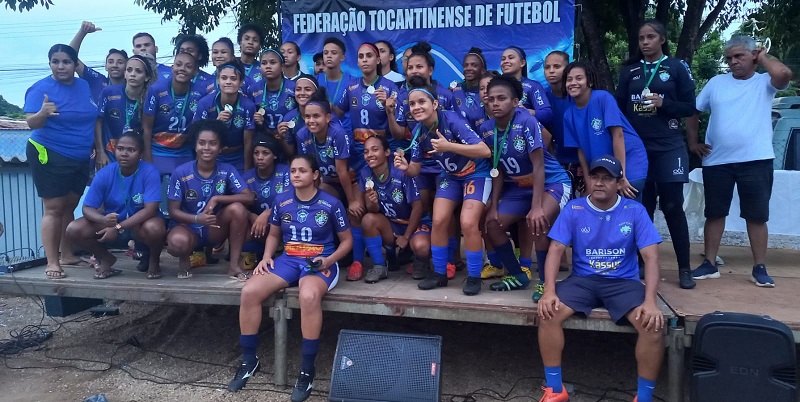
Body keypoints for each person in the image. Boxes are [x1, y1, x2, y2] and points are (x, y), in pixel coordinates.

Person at [536, 155, 664, 402]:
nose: (599, 183)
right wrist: (549, 290)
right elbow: (555, 250)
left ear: (618, 183)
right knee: (547, 313)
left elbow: (651, 259)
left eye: (607, 178)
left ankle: (645, 397)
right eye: (595, 177)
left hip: (623, 282)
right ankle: (555, 389)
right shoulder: (574, 209)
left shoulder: (634, 211)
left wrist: (650, 301)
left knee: (653, 325)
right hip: (583, 279)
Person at [228, 154, 352, 402]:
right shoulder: (282, 200)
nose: (296, 175)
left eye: (302, 171)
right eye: (293, 171)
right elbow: (274, 235)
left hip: (320, 259)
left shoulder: (330, 203)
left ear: (315, 175)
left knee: (308, 296)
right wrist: (266, 256)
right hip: (289, 258)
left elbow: (348, 241)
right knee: (249, 292)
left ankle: (307, 370)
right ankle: (249, 361)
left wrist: (329, 261)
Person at [688, 36, 792, 287]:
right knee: (714, 213)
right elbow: (694, 111)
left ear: (753, 57)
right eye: (729, 58)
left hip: (756, 160)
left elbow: (785, 74)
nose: (732, 62)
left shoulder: (764, 82)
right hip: (717, 161)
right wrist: (692, 143)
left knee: (756, 216)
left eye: (739, 56)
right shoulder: (716, 83)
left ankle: (759, 268)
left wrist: (764, 56)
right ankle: (710, 264)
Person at [616, 20, 698, 290]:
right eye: (641, 38)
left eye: (650, 37)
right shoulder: (630, 71)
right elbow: (618, 109)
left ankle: (684, 268)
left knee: (673, 205)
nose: (645, 42)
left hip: (669, 147)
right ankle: (640, 262)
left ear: (662, 39)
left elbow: (689, 107)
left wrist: (664, 104)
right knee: (642, 207)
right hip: (638, 149)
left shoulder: (676, 68)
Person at [393, 77, 492, 295]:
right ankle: (439, 274)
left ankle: (474, 277)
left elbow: (485, 151)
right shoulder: (419, 131)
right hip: (451, 175)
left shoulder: (453, 120)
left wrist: (449, 146)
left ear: (435, 104)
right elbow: (415, 170)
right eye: (412, 104)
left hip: (476, 173)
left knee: (467, 222)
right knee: (438, 220)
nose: (417, 107)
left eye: (422, 102)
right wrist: (404, 166)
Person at [480, 76, 572, 302]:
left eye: (501, 98)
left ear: (515, 101)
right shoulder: (486, 129)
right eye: (491, 99)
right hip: (520, 187)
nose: (495, 104)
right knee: (492, 224)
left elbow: (539, 166)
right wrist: (493, 204)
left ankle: (544, 283)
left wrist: (537, 206)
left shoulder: (526, 122)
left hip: (552, 183)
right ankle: (518, 276)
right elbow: (498, 170)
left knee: (537, 222)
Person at [24, 44, 97, 279]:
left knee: (69, 205)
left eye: (66, 61)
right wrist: (42, 114)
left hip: (80, 155)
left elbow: (93, 119)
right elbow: (31, 123)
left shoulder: (83, 85)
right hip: (50, 152)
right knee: (54, 209)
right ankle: (53, 261)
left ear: (75, 65)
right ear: (49, 64)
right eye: (55, 61)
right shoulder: (41, 89)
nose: (60, 66)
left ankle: (68, 255)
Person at [65, 132, 165, 279]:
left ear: (141, 153)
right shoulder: (105, 173)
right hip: (112, 221)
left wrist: (118, 228)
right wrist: (103, 220)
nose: (124, 154)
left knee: (155, 228)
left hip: (140, 223)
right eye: (120, 149)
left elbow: (150, 209)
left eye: (131, 150)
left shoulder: (150, 172)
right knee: (73, 229)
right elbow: (87, 208)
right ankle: (105, 258)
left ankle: (154, 260)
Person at [165, 120, 253, 280]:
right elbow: (173, 211)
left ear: (220, 148)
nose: (206, 148)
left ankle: (234, 265)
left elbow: (248, 197)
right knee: (178, 242)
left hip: (213, 228)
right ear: (195, 145)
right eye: (202, 143)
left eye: (212, 143)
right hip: (187, 227)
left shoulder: (227, 170)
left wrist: (218, 198)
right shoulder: (181, 172)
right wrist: (197, 218)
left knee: (238, 209)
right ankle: (184, 259)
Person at [562, 61, 649, 202]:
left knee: (627, 211)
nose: (573, 83)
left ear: (589, 81)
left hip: (629, 161)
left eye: (579, 78)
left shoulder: (602, 98)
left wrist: (621, 176)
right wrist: (589, 180)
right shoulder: (568, 114)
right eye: (569, 79)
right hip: (603, 169)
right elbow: (581, 151)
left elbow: (618, 135)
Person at [360, 135, 431, 281]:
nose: (370, 155)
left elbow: (417, 207)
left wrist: (406, 237)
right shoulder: (365, 173)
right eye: (366, 151)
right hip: (392, 223)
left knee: (421, 246)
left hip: (413, 222)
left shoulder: (401, 172)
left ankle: (420, 262)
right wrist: (373, 202)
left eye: (375, 150)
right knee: (368, 220)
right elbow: (372, 210)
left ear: (387, 152)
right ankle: (380, 265)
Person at [142, 52, 204, 175]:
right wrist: (147, 158)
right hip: (158, 151)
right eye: (178, 65)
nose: (182, 69)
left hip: (184, 152)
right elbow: (146, 127)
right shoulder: (156, 89)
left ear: (194, 72)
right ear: (172, 68)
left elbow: (201, 130)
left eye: (188, 66)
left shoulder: (200, 93)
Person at [193, 60, 257, 172]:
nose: (228, 82)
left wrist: (247, 172)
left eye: (233, 78)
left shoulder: (248, 106)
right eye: (224, 78)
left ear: (241, 82)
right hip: (213, 156)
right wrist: (216, 124)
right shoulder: (205, 103)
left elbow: (248, 142)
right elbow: (198, 137)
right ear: (218, 80)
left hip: (238, 157)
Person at [95, 55, 156, 169]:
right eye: (129, 70)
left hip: (132, 157)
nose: (133, 74)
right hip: (109, 155)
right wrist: (100, 152)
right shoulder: (109, 92)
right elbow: (98, 122)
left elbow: (148, 131)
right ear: (125, 74)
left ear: (146, 77)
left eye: (138, 71)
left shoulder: (149, 99)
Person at [544, 51, 583, 197]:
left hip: (584, 158)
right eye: (547, 67)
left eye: (557, 66)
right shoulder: (543, 96)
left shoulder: (579, 95)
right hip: (558, 160)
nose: (551, 71)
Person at [243, 135, 291, 243]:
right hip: (256, 225)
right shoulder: (247, 177)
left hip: (280, 222)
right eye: (256, 153)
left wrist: (266, 214)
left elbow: (289, 199)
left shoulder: (285, 172)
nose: (260, 157)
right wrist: (251, 215)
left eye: (265, 153)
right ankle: (249, 251)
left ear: (274, 155)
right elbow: (240, 204)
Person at [69, 21, 127, 102]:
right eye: (110, 62)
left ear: (127, 67)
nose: (115, 65)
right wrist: (82, 32)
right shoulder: (98, 80)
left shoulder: (133, 86)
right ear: (106, 67)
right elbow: (70, 56)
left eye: (120, 62)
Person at [500, 46, 553, 126]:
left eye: (511, 58)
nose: (506, 61)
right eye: (503, 59)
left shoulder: (532, 86)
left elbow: (547, 114)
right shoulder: (495, 87)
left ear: (522, 63)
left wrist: (526, 112)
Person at [251, 49, 297, 136]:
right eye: (264, 63)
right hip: (264, 137)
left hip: (289, 138)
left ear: (282, 67)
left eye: (272, 62)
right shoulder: (254, 89)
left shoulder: (294, 87)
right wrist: (258, 122)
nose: (268, 66)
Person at [452, 48, 488, 131]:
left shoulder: (489, 91)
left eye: (474, 65)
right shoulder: (455, 90)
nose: (468, 68)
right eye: (466, 65)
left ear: (483, 70)